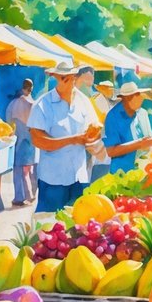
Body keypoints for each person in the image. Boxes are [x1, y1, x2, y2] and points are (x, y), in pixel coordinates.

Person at [28, 61, 102, 213]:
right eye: (62, 77)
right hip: (53, 179)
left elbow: (95, 127)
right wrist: (73, 140)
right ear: (54, 77)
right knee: (48, 226)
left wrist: (92, 137)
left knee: (77, 226)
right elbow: (38, 140)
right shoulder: (42, 104)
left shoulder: (83, 101)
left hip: (79, 177)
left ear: (75, 77)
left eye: (69, 77)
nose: (66, 81)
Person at [103, 82, 152, 173]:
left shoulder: (142, 113)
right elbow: (111, 151)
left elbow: (150, 138)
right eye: (137, 95)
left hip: (142, 170)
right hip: (122, 172)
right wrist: (139, 144)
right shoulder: (113, 117)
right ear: (127, 98)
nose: (141, 98)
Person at [6, 79, 38, 206]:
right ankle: (31, 195)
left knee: (18, 170)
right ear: (32, 88)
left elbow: (9, 125)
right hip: (32, 141)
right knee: (30, 169)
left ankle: (19, 197)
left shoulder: (13, 104)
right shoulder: (35, 104)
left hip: (19, 141)